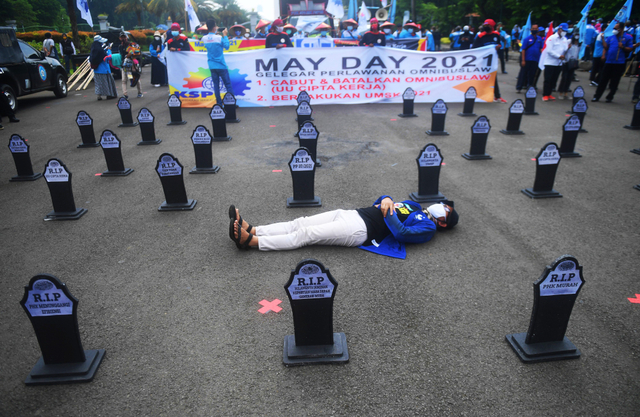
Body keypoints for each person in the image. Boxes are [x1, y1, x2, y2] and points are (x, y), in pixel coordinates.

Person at [228, 196, 458, 258]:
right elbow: (384, 200)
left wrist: (387, 210)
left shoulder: (428, 227)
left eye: (445, 210)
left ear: (443, 222)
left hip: (361, 230)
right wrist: (387, 197)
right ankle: (255, 229)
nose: (441, 206)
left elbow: (402, 233)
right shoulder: (415, 204)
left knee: (306, 235)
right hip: (354, 213)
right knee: (300, 222)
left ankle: (252, 242)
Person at [593, 22, 637, 102]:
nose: (614, 30)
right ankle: (597, 96)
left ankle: (610, 97)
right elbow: (606, 47)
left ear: (621, 29)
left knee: (615, 81)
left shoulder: (627, 38)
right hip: (609, 61)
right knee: (603, 80)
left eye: (616, 28)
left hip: (619, 62)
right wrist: (603, 40)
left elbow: (630, 48)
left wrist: (623, 47)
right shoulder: (610, 37)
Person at [473, 19, 507, 103]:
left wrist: (498, 47)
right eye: (484, 26)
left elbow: (499, 44)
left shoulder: (496, 35)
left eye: (487, 26)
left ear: (492, 26)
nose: (485, 28)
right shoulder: (480, 36)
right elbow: (474, 48)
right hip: (482, 61)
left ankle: (497, 96)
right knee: (479, 78)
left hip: (492, 61)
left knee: (493, 77)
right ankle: (477, 95)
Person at [202, 18, 234, 105]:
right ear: (214, 27)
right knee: (227, 84)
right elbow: (227, 46)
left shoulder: (204, 38)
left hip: (212, 65)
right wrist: (225, 35)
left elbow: (211, 39)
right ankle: (231, 103)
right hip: (221, 65)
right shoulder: (219, 37)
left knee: (216, 86)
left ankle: (219, 103)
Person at [541, 23, 570, 101]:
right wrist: (559, 56)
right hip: (550, 62)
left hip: (559, 63)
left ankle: (549, 93)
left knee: (554, 79)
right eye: (563, 30)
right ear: (559, 30)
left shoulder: (564, 39)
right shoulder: (552, 38)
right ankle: (545, 94)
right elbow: (549, 51)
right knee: (548, 79)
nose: (564, 32)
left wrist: (567, 48)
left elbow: (565, 50)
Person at [516, 24, 543, 92]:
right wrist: (523, 60)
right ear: (531, 30)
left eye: (535, 29)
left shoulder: (539, 39)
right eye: (533, 28)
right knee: (523, 73)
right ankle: (519, 87)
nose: (534, 30)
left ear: (537, 30)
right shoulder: (527, 39)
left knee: (532, 74)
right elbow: (523, 49)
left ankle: (530, 86)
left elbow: (541, 48)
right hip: (527, 59)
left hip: (535, 59)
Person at [90, 35, 117, 101]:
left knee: (98, 84)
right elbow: (108, 58)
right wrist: (109, 51)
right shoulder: (101, 51)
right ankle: (109, 95)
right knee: (107, 83)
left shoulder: (93, 49)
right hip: (104, 69)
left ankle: (99, 96)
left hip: (96, 70)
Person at [558, 34, 579, 99]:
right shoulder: (569, 41)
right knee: (564, 77)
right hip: (566, 62)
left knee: (569, 78)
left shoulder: (579, 43)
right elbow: (563, 50)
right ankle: (561, 92)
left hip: (573, 62)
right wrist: (567, 47)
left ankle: (566, 93)